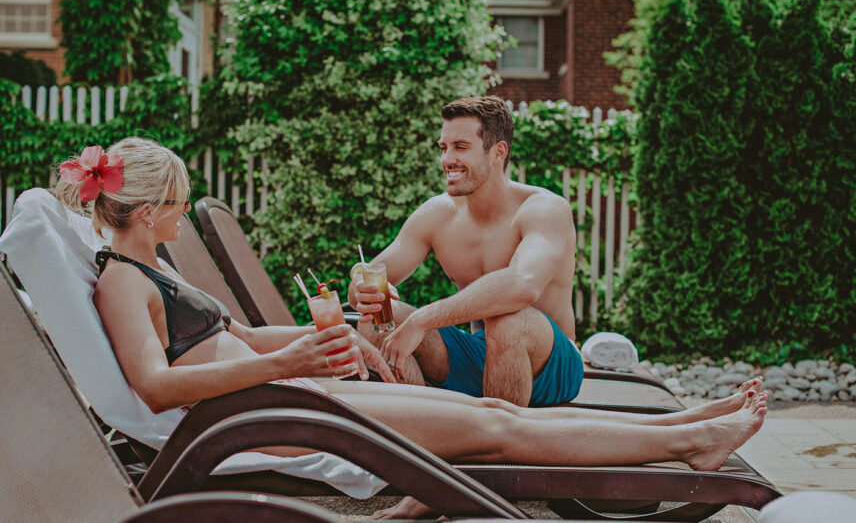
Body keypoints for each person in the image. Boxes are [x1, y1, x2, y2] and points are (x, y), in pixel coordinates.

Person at [54, 137, 768, 520]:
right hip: (266, 412)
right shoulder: (123, 279)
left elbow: (234, 335)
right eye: (175, 205)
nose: (179, 217)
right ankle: (691, 441)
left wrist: (323, 344)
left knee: (490, 413)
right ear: (149, 213)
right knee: (499, 431)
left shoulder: (154, 271)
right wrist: (287, 363)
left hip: (284, 394)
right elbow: (154, 387)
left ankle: (687, 431)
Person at [349, 95, 580, 407]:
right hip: (479, 355)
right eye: (444, 148)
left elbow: (521, 285)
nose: (447, 159)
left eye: (460, 147)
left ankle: (502, 442)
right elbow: (370, 273)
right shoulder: (438, 214)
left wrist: (422, 320)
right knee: (379, 316)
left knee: (506, 320)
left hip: (550, 366)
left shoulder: (543, 209)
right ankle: (422, 432)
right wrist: (362, 288)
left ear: (498, 152)